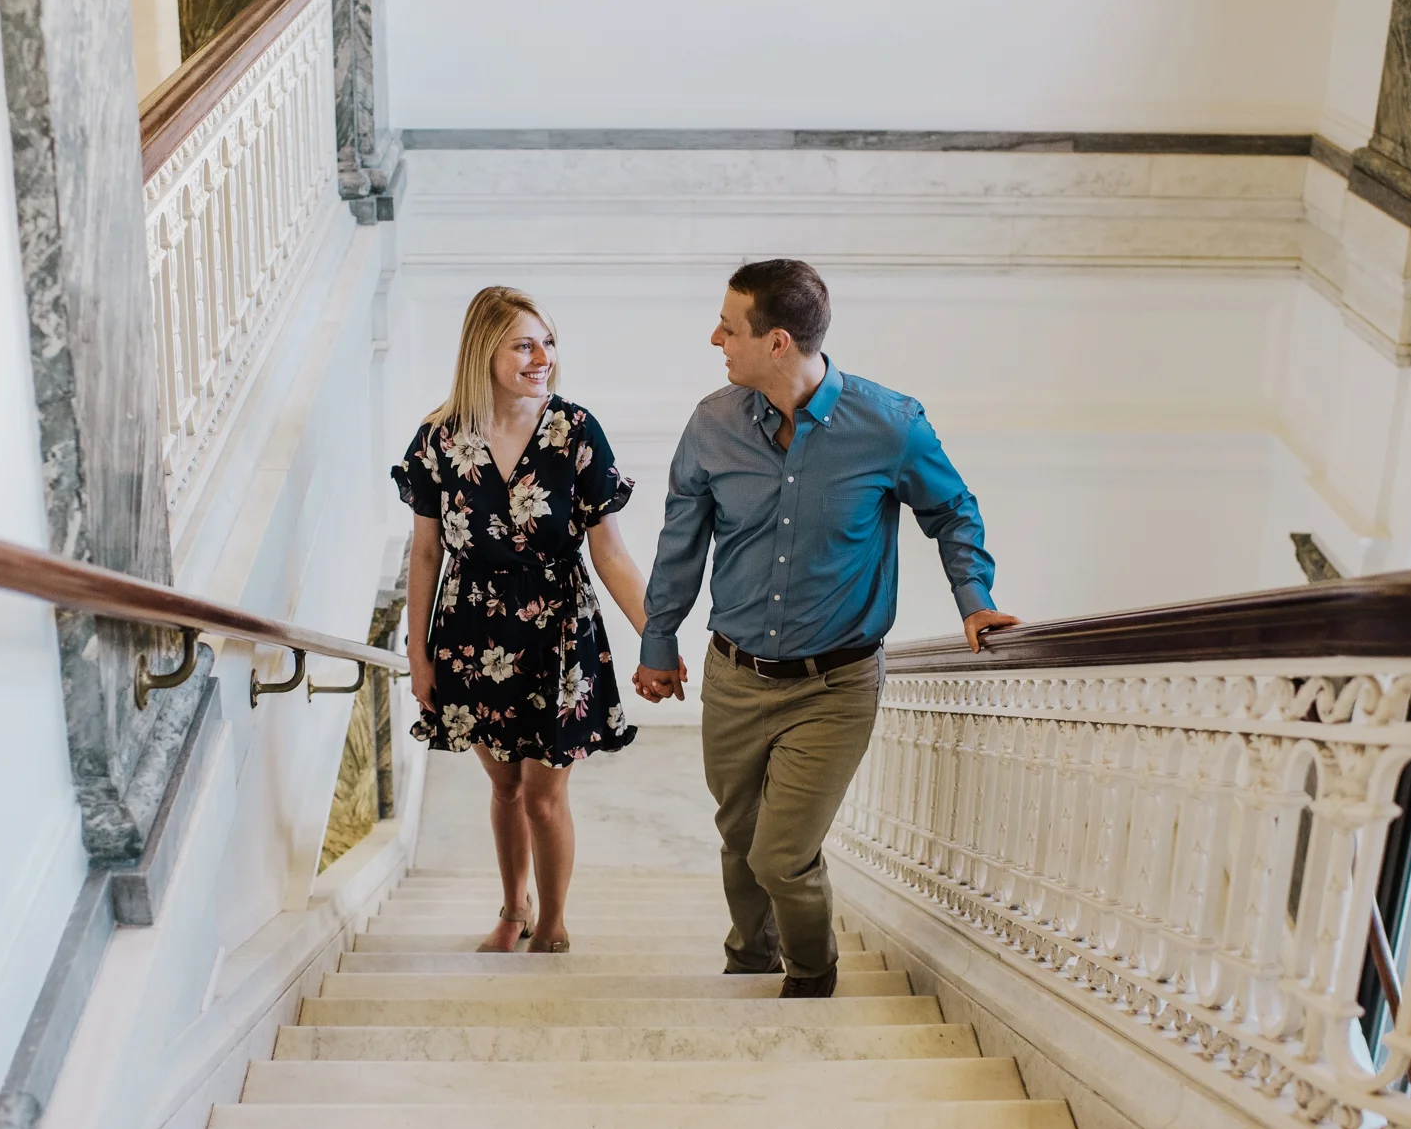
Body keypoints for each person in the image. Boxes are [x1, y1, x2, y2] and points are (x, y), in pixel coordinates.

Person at [632, 259, 1018, 996]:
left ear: (778, 342)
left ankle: (811, 975)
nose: (715, 338)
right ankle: (749, 960)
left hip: (835, 687)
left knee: (781, 854)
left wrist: (974, 597)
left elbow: (951, 510)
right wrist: (659, 641)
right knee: (740, 837)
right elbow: (681, 539)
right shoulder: (713, 424)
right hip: (733, 675)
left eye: (729, 327)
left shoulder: (890, 425)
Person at [394, 286, 649, 954]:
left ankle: (553, 920)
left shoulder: (575, 431)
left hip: (557, 631)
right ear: (484, 352)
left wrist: (657, 634)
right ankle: (514, 908)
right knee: (504, 786)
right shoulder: (439, 439)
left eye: (549, 342)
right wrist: (418, 655)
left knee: (542, 796)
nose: (543, 358)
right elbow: (425, 554)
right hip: (471, 633)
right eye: (525, 345)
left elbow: (611, 553)